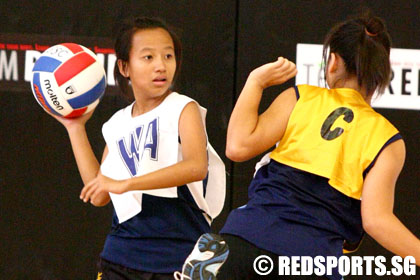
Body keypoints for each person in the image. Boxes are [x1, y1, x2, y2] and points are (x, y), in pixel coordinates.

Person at [175, 13, 420, 280]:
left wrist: (255, 83)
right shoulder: (388, 140)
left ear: (333, 62)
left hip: (241, 242)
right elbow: (376, 221)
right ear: (382, 73)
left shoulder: (299, 97)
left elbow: (237, 147)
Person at [50, 17, 225, 280]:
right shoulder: (116, 123)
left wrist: (128, 183)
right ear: (124, 66)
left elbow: (196, 166)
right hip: (120, 254)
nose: (161, 66)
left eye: (168, 56)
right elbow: (98, 194)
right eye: (148, 57)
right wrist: (75, 128)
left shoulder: (183, 107)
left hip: (177, 256)